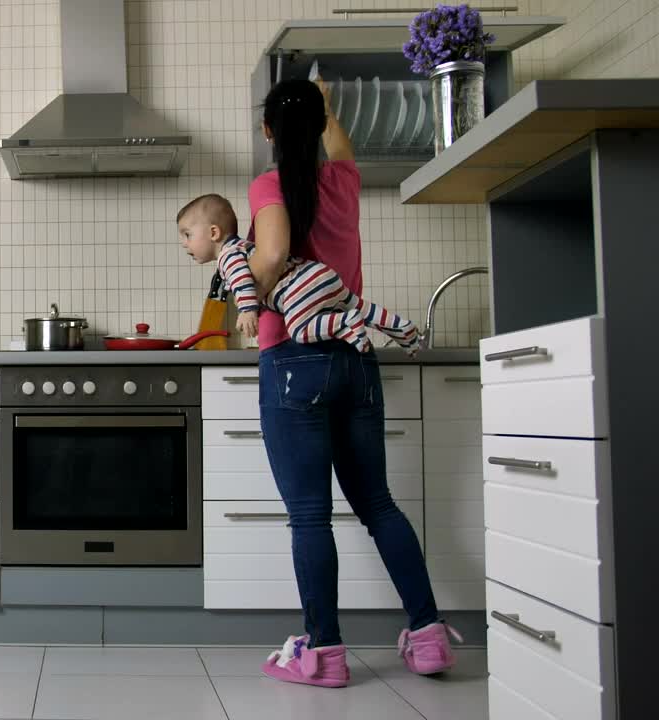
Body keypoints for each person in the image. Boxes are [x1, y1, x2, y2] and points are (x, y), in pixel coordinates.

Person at [244, 78, 459, 688]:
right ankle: (428, 635)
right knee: (379, 505)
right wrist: (327, 107)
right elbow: (340, 144)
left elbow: (275, 251)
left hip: (293, 357)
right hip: (355, 358)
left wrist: (236, 279)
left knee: (310, 517)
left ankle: (324, 655)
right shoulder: (344, 179)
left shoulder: (268, 185)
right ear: (316, 127)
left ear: (267, 133)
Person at [177, 195, 419, 354]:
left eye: (187, 234)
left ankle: (345, 322)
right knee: (360, 306)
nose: (184, 243)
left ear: (213, 232)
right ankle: (402, 328)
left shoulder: (228, 256)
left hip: (298, 288)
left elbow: (241, 279)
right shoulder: (245, 246)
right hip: (319, 275)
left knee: (299, 331)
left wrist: (247, 310)